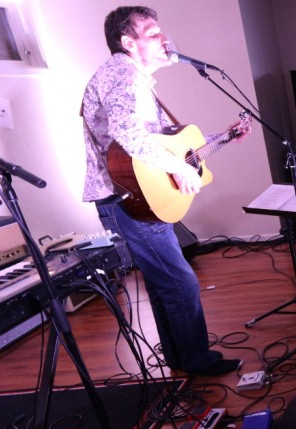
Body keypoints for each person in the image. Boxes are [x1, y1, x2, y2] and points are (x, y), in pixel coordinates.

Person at [81, 6, 249, 376]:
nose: (164, 38)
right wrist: (177, 168)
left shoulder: (133, 78)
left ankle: (180, 360)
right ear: (128, 42)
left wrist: (223, 137)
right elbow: (128, 134)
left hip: (137, 195)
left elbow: (167, 144)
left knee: (163, 285)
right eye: (152, 32)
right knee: (180, 282)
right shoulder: (123, 74)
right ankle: (197, 361)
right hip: (127, 199)